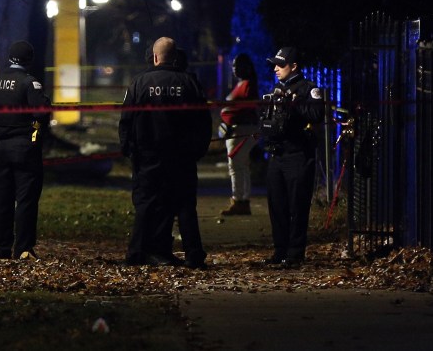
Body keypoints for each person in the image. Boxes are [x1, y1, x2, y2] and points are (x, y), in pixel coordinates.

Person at [119, 37, 212, 269]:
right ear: (175, 56)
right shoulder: (190, 83)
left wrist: (128, 149)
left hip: (147, 155)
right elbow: (203, 120)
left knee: (146, 204)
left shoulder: (139, 83)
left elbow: (126, 120)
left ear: (155, 57)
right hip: (182, 156)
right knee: (185, 205)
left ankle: (137, 253)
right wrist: (199, 149)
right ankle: (193, 254)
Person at [0, 40, 51, 260]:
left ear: (10, 58)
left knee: (2, 199)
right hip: (25, 148)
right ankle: (23, 249)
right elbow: (41, 113)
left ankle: (1, 249)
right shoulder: (30, 84)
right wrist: (35, 132)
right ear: (29, 60)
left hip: (1, 148)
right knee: (26, 199)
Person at [260, 47, 324, 268]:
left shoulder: (309, 89)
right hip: (278, 154)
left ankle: (295, 253)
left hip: (298, 154)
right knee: (277, 205)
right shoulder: (278, 88)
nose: (276, 69)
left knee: (297, 205)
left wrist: (294, 104)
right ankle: (280, 250)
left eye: (281, 65)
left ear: (294, 66)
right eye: (275, 65)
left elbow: (317, 114)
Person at [219, 53, 260, 216]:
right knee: (241, 165)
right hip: (237, 129)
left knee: (236, 165)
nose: (234, 69)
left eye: (238, 65)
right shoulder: (241, 84)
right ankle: (243, 200)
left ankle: (239, 200)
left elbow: (248, 108)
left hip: (242, 130)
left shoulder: (248, 85)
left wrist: (232, 118)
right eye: (233, 66)